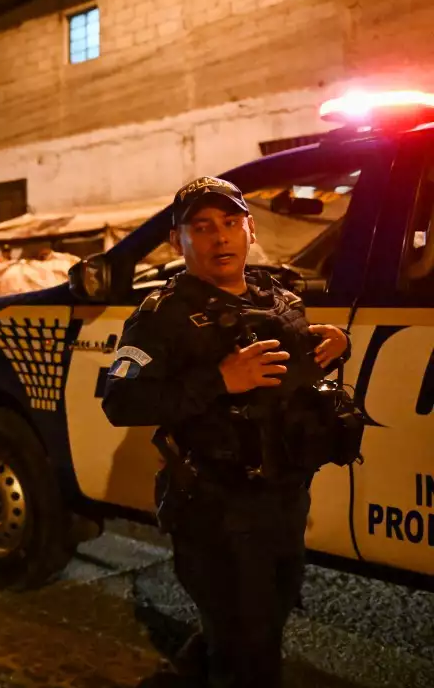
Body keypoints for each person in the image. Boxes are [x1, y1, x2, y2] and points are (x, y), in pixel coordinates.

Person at [102, 176, 351, 688]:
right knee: (250, 651)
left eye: (231, 223)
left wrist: (333, 343)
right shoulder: (160, 316)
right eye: (203, 227)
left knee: (262, 622)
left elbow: (285, 382)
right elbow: (120, 400)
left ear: (250, 228)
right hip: (215, 507)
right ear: (178, 242)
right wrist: (217, 380)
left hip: (283, 497)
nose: (221, 238)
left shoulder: (276, 296)